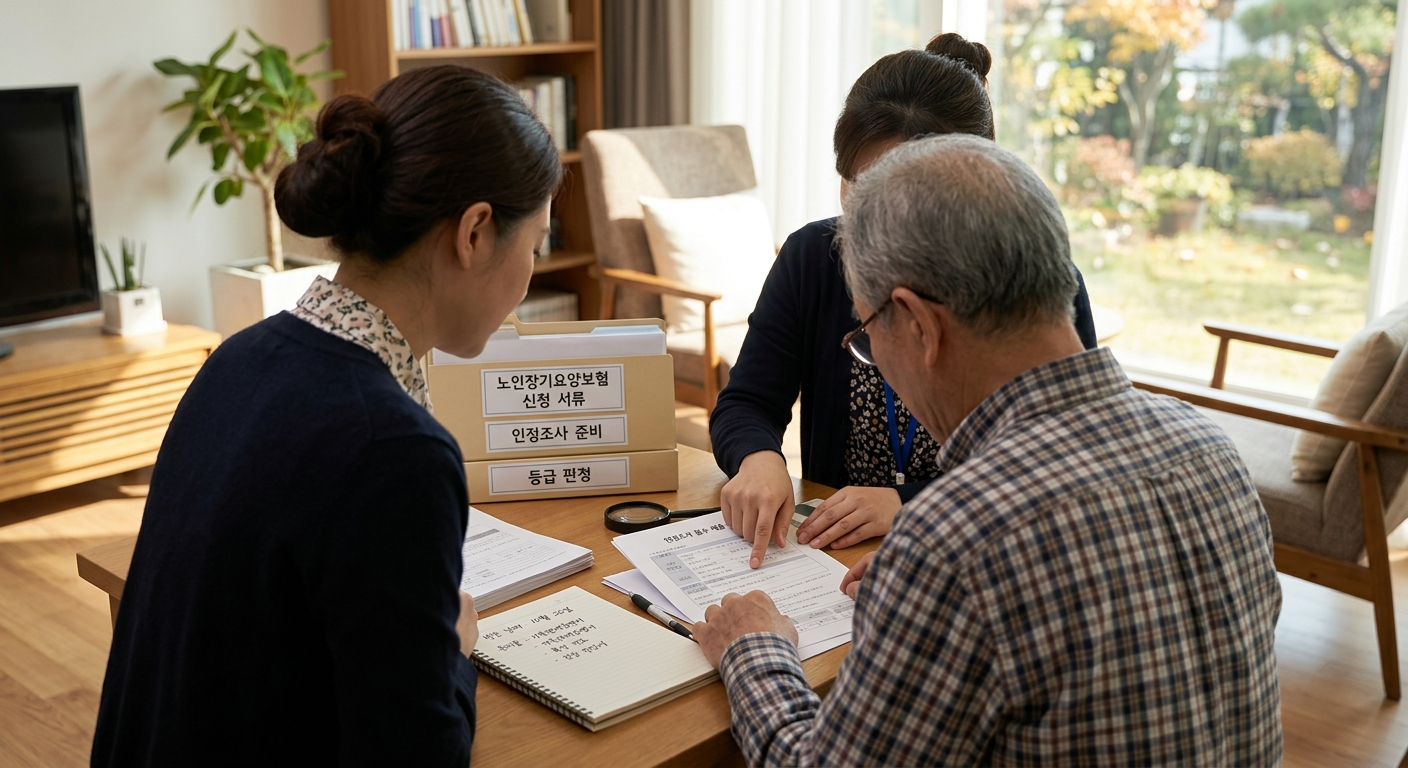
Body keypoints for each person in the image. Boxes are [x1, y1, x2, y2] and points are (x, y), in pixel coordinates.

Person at [693, 134, 1283, 765]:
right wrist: (932, 611)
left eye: (866, 336)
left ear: (918, 324)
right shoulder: (1209, 451)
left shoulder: (958, 535)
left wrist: (753, 647)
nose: (874, 362)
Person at [91, 65, 561, 766]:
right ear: (475, 232)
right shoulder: (395, 450)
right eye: (537, 245)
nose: (531, 273)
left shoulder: (238, 358)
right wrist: (455, 651)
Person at [711, 33, 1099, 569]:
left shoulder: (1036, 283)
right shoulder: (814, 256)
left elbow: (1053, 461)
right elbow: (747, 399)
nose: (864, 215)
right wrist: (758, 459)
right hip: (830, 551)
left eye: (887, 194)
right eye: (853, 182)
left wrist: (909, 504)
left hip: (963, 546)